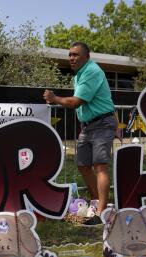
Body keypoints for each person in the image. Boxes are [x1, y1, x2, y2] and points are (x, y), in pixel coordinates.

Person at [43, 42, 118, 226]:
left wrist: (55, 99)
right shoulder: (79, 75)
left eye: (75, 54)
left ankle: (101, 212)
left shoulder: (92, 71)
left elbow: (76, 102)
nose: (71, 58)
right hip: (89, 126)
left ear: (87, 56)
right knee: (83, 164)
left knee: (100, 165)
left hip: (102, 123)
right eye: (69, 54)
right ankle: (94, 201)